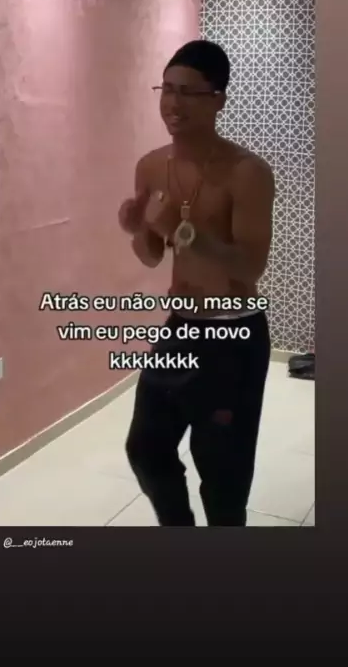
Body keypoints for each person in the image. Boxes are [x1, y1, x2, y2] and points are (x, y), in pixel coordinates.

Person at [118, 39, 275, 526]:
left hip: (235, 335)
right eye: (167, 89)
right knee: (146, 447)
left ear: (218, 99)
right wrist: (138, 229)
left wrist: (183, 232)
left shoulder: (248, 173)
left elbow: (250, 268)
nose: (173, 102)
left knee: (223, 473)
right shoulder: (150, 166)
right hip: (181, 326)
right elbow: (150, 257)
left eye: (188, 91)